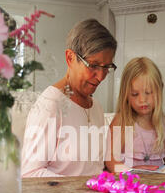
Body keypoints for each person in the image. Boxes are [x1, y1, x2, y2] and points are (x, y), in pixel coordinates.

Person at [22, 19, 117, 177]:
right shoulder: (51, 106)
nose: (101, 76)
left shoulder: (96, 107)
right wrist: (81, 188)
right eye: (93, 65)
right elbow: (29, 173)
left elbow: (94, 168)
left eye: (107, 67)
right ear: (70, 58)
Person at [105, 57, 165, 173]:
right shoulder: (121, 122)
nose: (142, 99)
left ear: (160, 89)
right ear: (126, 95)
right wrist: (130, 171)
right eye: (135, 94)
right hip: (130, 185)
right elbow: (111, 161)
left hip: (158, 186)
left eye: (148, 92)